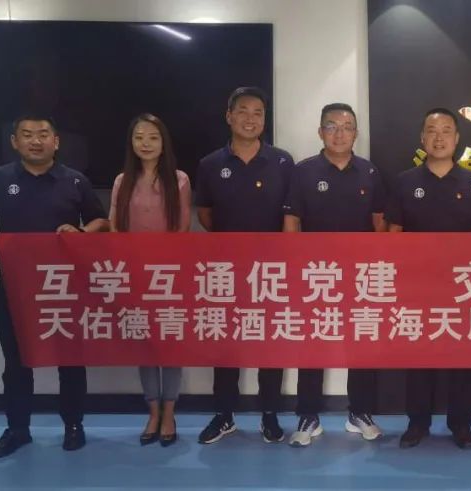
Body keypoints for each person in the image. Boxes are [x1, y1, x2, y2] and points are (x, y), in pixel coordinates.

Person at [0, 114, 110, 458]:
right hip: (16, 285)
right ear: (15, 142)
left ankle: (73, 425)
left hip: (64, 286)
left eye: (43, 134)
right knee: (16, 360)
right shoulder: (0, 178)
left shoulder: (75, 181)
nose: (36, 141)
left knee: (70, 359)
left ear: (55, 142)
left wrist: (81, 232)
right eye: (27, 134)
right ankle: (18, 429)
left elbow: (101, 221)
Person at [194, 87, 295, 445]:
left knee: (270, 343)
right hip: (227, 269)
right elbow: (206, 215)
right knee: (227, 344)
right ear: (229, 116)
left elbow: (291, 216)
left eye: (258, 113)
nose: (250, 119)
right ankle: (224, 415)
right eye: (243, 111)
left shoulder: (282, 162)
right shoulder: (210, 164)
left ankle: (270, 414)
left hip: (271, 270)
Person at [284, 103, 387, 446]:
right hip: (316, 275)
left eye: (347, 127)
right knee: (312, 345)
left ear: (356, 133)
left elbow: (379, 224)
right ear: (320, 132)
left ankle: (360, 413)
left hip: (360, 276)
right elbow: (292, 221)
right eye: (331, 126)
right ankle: (308, 415)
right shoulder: (303, 171)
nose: (339, 133)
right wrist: (295, 267)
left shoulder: (370, 172)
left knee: (361, 345)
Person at [388, 108, 471, 450]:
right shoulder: (404, 182)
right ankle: (417, 423)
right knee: (419, 358)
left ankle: (461, 424)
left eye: (446, 131)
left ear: (457, 139)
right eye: (432, 131)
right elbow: (394, 232)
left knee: (462, 359)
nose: (439, 137)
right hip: (418, 285)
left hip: (463, 286)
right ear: (422, 139)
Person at [108, 113, 191, 447]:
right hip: (134, 275)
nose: (145, 143)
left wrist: (162, 265)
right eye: (139, 137)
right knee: (144, 346)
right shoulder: (122, 181)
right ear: (131, 143)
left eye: (153, 137)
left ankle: (169, 412)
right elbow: (115, 226)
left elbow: (182, 228)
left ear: (163, 143)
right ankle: (153, 412)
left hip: (168, 276)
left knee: (169, 346)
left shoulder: (179, 180)